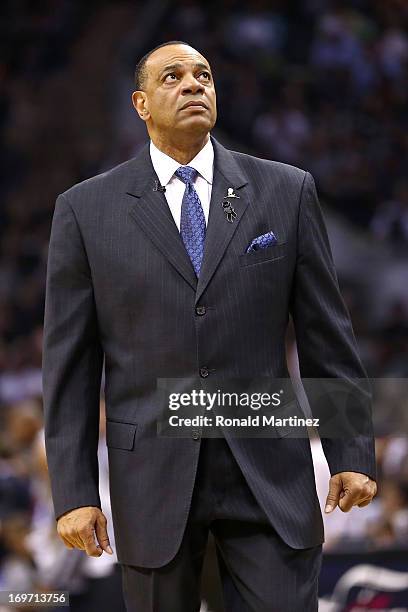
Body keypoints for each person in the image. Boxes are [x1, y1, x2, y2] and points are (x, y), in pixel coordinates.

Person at [42, 41, 377, 611]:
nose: (194, 85)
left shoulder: (286, 190)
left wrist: (352, 450)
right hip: (151, 476)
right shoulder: (85, 210)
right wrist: (74, 493)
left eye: (204, 75)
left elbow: (327, 335)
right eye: (172, 77)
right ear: (141, 104)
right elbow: (71, 366)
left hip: (269, 473)